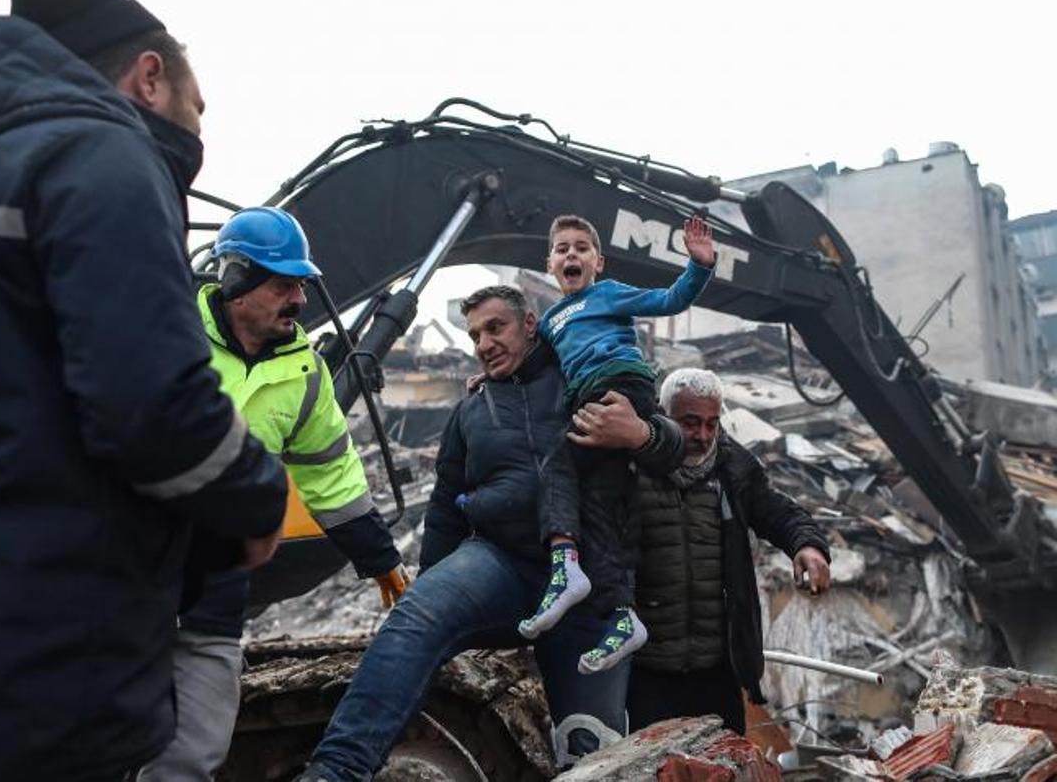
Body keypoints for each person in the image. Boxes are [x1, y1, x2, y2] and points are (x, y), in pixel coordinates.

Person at [0, 0, 290, 782]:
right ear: (150, 78)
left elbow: (21, 447)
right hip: (20, 684)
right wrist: (255, 495)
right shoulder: (105, 152)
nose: (200, 136)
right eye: (200, 109)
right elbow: (151, 408)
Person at [295, 285, 686, 782]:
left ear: (530, 324)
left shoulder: (583, 379)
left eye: (494, 328)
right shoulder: (472, 409)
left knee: (591, 746)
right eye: (475, 334)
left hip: (587, 582)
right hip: (500, 562)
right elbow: (443, 507)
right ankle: (337, 770)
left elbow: (676, 448)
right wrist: (434, 584)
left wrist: (643, 434)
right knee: (418, 616)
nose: (483, 343)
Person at [138, 207, 408, 782]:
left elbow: (330, 472)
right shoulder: (160, 331)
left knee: (193, 754)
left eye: (302, 287)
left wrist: (380, 558)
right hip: (129, 578)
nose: (300, 301)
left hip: (215, 595)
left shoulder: (303, 372)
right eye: (283, 285)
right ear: (234, 280)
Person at [568, 368, 832, 734]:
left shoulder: (732, 468)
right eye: (690, 423)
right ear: (661, 414)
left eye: (711, 423)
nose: (703, 436)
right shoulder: (625, 466)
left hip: (715, 671)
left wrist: (808, 546)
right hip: (643, 672)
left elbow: (778, 511)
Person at [519, 212, 716, 675]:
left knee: (558, 464)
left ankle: (565, 564)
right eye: (562, 248)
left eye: (581, 247)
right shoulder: (550, 321)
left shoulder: (607, 294)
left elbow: (669, 299)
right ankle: (624, 617)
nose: (572, 254)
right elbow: (534, 366)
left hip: (620, 384)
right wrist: (482, 376)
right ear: (550, 263)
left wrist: (700, 267)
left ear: (598, 262)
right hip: (587, 396)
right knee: (604, 509)